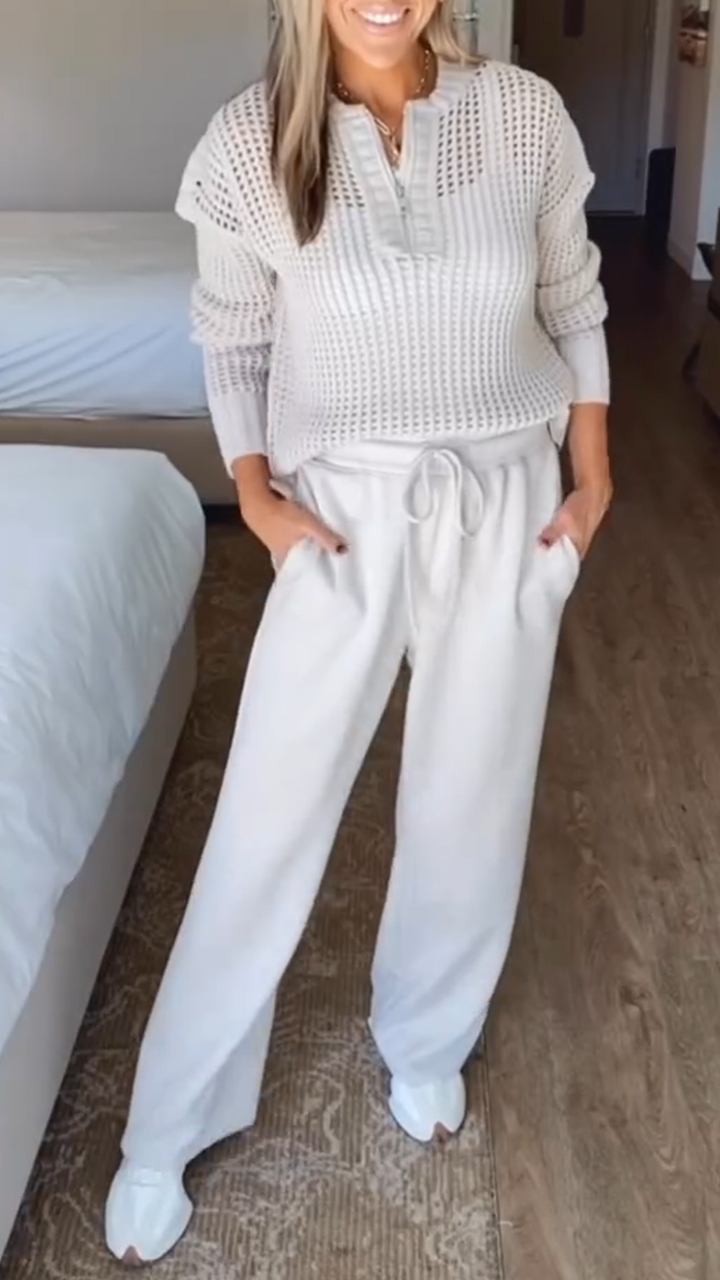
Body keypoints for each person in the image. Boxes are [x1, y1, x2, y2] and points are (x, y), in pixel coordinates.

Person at [105, 0, 612, 1263]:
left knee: (471, 791)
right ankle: (169, 1119)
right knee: (265, 814)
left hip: (507, 495)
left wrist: (594, 480)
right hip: (341, 509)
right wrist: (259, 501)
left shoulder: (523, 115)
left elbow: (573, 296)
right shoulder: (248, 143)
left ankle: (427, 1035)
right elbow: (235, 341)